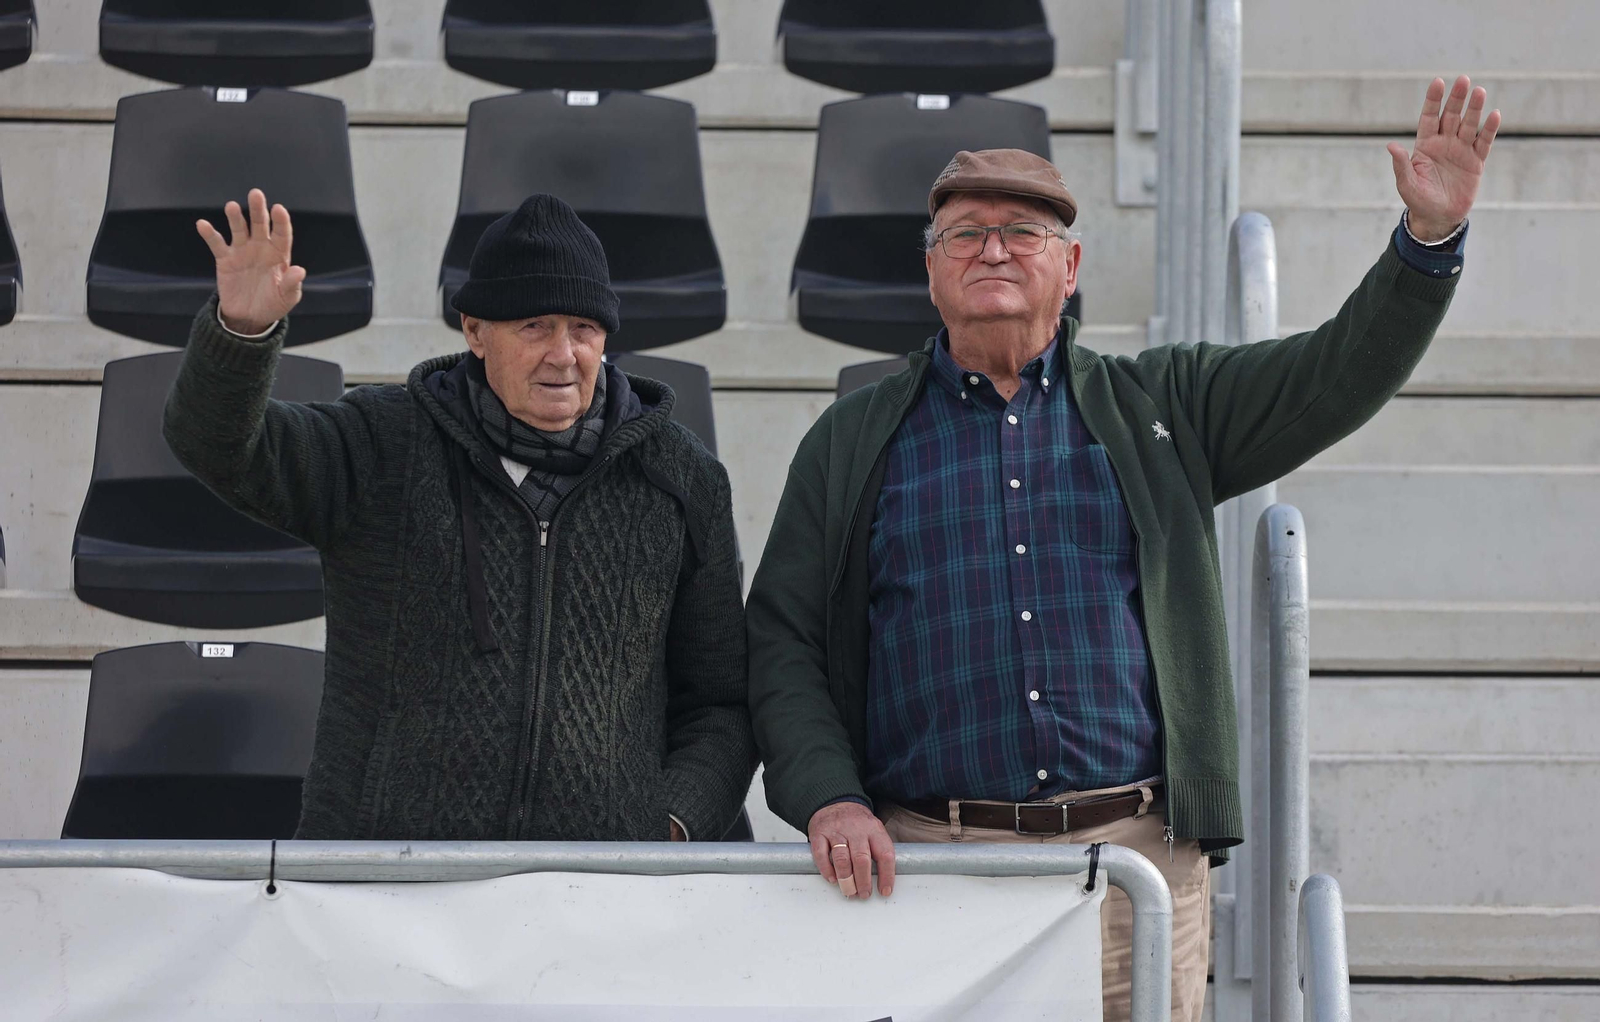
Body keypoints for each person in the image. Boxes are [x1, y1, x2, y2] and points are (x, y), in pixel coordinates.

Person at [747, 75, 1499, 1020]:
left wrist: (1426, 244)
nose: (993, 250)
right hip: (928, 876)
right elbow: (782, 640)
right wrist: (828, 797)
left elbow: (1333, 374)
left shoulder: (1164, 407)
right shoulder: (853, 439)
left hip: (1134, 872)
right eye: (964, 234)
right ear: (931, 271)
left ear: (1070, 268)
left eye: (1023, 233)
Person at [166, 191, 756, 843]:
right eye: (534, 327)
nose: (563, 355)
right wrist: (241, 334)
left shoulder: (681, 477)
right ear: (474, 330)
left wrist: (670, 825)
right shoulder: (381, 443)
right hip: (385, 888)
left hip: (600, 900)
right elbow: (218, 446)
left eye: (584, 329)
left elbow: (721, 702)